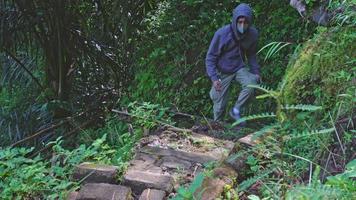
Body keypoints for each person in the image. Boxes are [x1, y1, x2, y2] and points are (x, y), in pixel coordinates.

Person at [205, 3, 261, 124]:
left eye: (245, 22)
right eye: (239, 22)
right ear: (235, 21)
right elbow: (210, 57)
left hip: (239, 67)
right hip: (222, 70)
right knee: (219, 105)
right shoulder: (222, 34)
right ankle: (217, 127)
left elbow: (251, 55)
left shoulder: (252, 34)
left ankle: (236, 110)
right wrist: (214, 78)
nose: (242, 25)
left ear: (249, 22)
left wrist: (255, 72)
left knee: (251, 85)